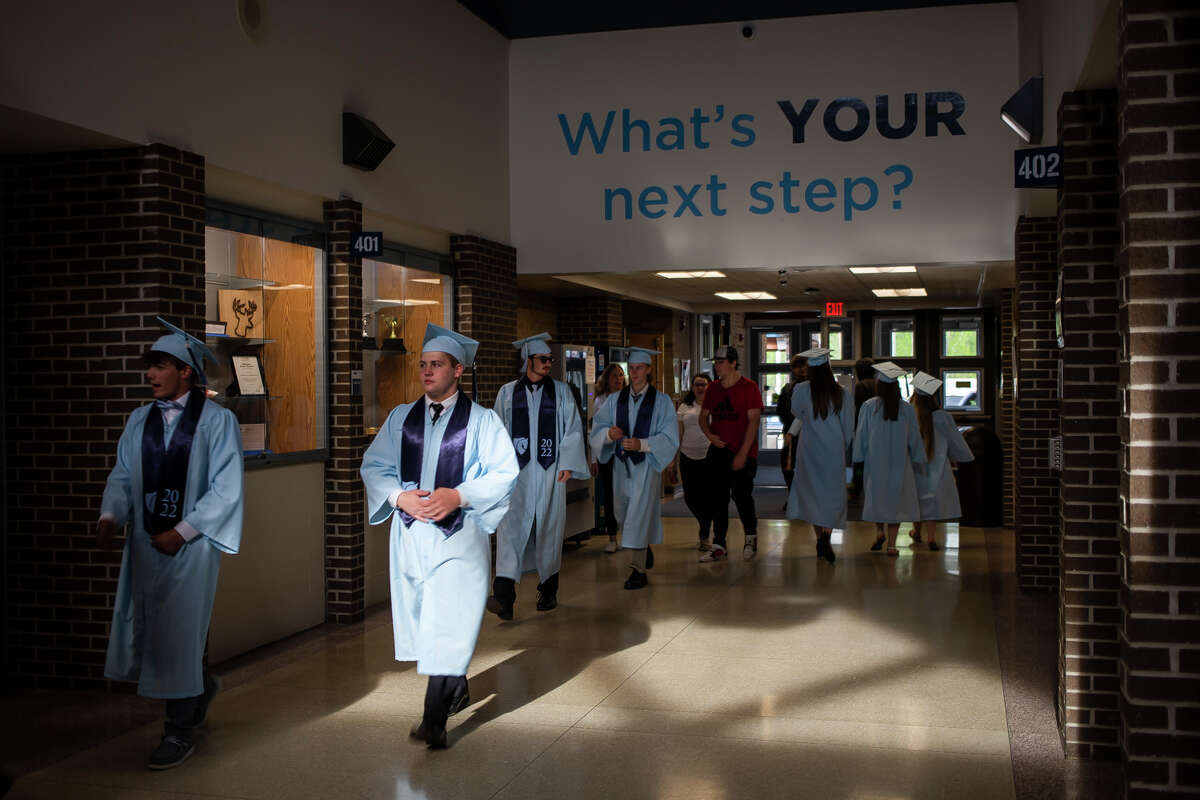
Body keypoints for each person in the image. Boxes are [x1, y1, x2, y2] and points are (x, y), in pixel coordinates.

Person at [360, 323, 519, 749]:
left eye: (437, 365)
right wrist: (398, 497)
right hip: (410, 535)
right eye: (424, 365)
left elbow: (505, 473)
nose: (427, 372)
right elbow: (375, 466)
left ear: (458, 370)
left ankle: (433, 720)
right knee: (426, 620)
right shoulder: (399, 419)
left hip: (458, 536)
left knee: (448, 619)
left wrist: (459, 494)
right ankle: (456, 683)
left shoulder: (483, 422)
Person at [96, 317, 244, 770]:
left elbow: (226, 488)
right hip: (145, 542)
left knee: (179, 632)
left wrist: (180, 533)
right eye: (150, 367)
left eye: (160, 366)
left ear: (185, 371)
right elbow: (123, 475)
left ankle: (178, 731)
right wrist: (110, 514)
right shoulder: (139, 419)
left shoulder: (217, 421)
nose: (150, 375)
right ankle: (198, 687)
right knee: (155, 631)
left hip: (191, 546)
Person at [490, 333, 590, 618]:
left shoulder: (560, 392)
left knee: (549, 527)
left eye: (550, 359)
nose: (548, 364)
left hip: (550, 471)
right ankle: (504, 598)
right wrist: (498, 470)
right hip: (516, 474)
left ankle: (548, 591)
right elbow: (497, 432)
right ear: (528, 360)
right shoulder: (507, 393)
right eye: (543, 359)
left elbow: (571, 428)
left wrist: (568, 463)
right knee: (510, 529)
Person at [588, 348, 679, 589]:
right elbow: (597, 429)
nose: (635, 373)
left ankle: (637, 570)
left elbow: (670, 437)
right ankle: (643, 543)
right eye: (632, 369)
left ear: (648, 370)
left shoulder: (662, 402)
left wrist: (644, 444)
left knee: (638, 514)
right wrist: (609, 434)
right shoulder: (615, 400)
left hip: (646, 466)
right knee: (623, 514)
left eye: (639, 368)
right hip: (620, 464)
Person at [785, 348, 855, 564]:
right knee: (832, 493)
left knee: (813, 493)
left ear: (810, 369)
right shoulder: (842, 392)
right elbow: (848, 426)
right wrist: (843, 446)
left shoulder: (801, 389)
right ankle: (826, 535)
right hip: (833, 449)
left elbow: (797, 413)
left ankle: (819, 538)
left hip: (809, 449)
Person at [853, 361, 928, 557]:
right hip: (899, 461)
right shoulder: (906, 409)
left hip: (875, 461)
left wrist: (857, 457)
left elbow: (861, 434)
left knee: (878, 497)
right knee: (896, 501)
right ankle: (892, 545)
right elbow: (914, 436)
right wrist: (919, 458)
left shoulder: (869, 407)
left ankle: (879, 532)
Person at [698, 346, 764, 561]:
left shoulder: (749, 387)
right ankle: (719, 544)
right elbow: (703, 417)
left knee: (741, 495)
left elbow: (754, 422)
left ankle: (750, 538)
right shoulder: (714, 388)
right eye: (715, 362)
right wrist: (710, 436)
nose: (717, 366)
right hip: (718, 450)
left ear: (733, 362)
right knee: (717, 498)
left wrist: (743, 454)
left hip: (742, 450)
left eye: (721, 362)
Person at [909, 371, 975, 551]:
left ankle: (917, 532)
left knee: (918, 499)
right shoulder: (943, 416)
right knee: (933, 501)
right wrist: (962, 457)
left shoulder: (909, 415)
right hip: (939, 465)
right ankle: (931, 538)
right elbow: (955, 440)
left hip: (916, 464)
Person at [672, 372, 713, 550]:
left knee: (707, 496)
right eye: (697, 384)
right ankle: (704, 523)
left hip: (709, 457)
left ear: (710, 386)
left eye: (703, 384)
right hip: (687, 456)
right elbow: (678, 435)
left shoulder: (715, 405)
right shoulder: (684, 407)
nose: (700, 388)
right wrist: (673, 460)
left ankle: (704, 533)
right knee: (690, 498)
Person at [590, 363, 625, 553]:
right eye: (614, 376)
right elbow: (595, 432)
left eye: (621, 375)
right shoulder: (600, 402)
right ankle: (612, 537)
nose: (618, 379)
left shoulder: (629, 399)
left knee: (627, 494)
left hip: (627, 454)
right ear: (607, 379)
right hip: (607, 454)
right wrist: (594, 460)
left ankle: (630, 534)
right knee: (610, 495)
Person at [775, 355, 808, 497]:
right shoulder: (788, 388)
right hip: (790, 432)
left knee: (805, 466)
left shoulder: (814, 387)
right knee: (787, 465)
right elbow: (781, 410)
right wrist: (789, 426)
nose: (801, 369)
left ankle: (803, 497)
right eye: (797, 366)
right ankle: (793, 495)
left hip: (809, 434)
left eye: (803, 365)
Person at [849, 358, 876, 499]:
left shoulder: (861, 386)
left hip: (863, 425)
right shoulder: (878, 384)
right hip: (877, 427)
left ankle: (856, 489)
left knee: (860, 460)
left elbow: (860, 408)